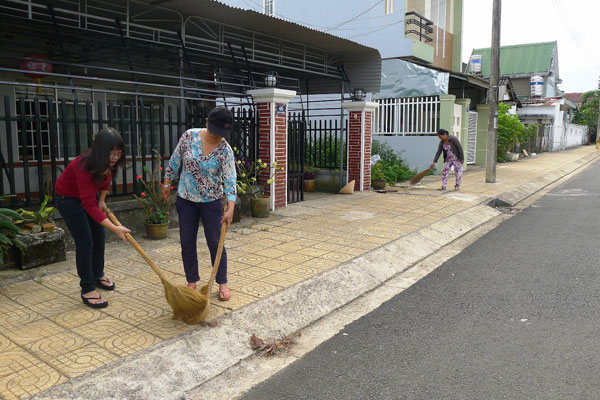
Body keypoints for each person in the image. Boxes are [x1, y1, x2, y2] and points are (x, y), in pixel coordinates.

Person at [162, 106, 236, 301]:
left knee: (215, 242)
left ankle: (222, 282)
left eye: (222, 134)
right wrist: (167, 182)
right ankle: (192, 281)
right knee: (187, 242)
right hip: (186, 199)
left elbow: (230, 180)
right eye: (215, 132)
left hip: (211, 202)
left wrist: (230, 209)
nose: (218, 137)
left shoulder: (225, 150)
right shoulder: (189, 137)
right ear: (206, 123)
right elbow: (175, 160)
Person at [54, 127, 131, 309]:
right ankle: (87, 288)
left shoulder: (108, 164)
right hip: (68, 198)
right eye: (111, 153)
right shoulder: (84, 166)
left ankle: (97, 274)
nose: (115, 158)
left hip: (87, 197)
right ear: (100, 152)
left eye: (118, 154)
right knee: (85, 242)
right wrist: (115, 227)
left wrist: (102, 201)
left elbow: (105, 181)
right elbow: (88, 205)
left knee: (99, 236)